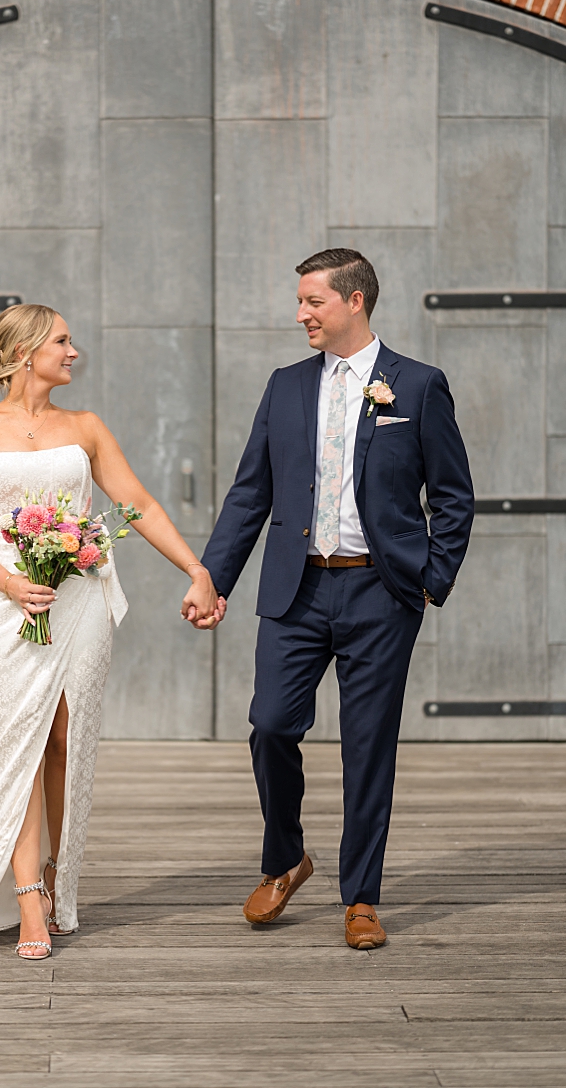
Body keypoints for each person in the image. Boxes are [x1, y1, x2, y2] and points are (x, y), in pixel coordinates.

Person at [194, 248, 473, 949]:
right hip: (297, 586)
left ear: (354, 300)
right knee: (270, 725)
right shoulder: (286, 386)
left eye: (313, 301)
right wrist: (212, 578)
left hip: (381, 591)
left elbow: (453, 495)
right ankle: (286, 857)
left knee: (368, 745)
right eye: (300, 301)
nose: (300, 315)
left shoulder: (417, 385)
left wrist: (430, 580)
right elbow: (250, 493)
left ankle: (363, 897)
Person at [0, 304, 218, 958]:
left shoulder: (86, 427)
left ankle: (61, 876)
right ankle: (28, 895)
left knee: (64, 735)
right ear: (27, 350)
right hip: (2, 599)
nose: (73, 351)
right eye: (62, 341)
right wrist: (10, 582)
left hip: (78, 595)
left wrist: (196, 568)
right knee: (19, 744)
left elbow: (138, 503)